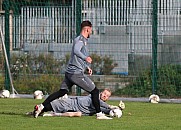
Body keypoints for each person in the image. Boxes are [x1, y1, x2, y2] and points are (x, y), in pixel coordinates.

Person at [33, 20, 110, 119]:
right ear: (87, 29)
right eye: (90, 30)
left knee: (62, 92)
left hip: (71, 73)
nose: (91, 32)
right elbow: (76, 51)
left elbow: (75, 57)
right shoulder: (80, 40)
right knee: (95, 91)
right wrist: (85, 58)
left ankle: (41, 107)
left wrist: (86, 67)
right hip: (76, 74)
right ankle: (99, 114)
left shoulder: (80, 40)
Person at [37, 88, 120, 119]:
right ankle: (35, 110)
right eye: (104, 94)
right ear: (101, 93)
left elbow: (103, 110)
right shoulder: (94, 97)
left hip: (74, 110)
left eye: (107, 96)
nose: (105, 96)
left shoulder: (98, 106)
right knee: (46, 108)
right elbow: (99, 103)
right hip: (70, 103)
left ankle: (53, 114)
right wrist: (110, 106)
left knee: (78, 114)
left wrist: (116, 110)